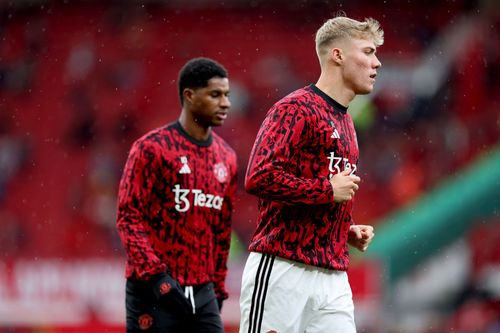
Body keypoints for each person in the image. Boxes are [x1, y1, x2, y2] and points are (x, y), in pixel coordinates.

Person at [239, 15, 383, 333]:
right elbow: (259, 176)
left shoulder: (346, 122)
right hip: (282, 268)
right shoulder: (295, 108)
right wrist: (326, 191)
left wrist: (343, 230)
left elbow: (319, 188)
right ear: (338, 55)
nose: (377, 63)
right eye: (368, 51)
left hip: (332, 276)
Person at [116, 57, 237, 332]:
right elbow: (128, 218)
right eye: (216, 95)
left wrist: (217, 289)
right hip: (153, 289)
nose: (226, 103)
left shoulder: (227, 158)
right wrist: (158, 278)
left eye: (227, 95)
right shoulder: (152, 149)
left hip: (204, 292)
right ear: (190, 96)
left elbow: (221, 230)